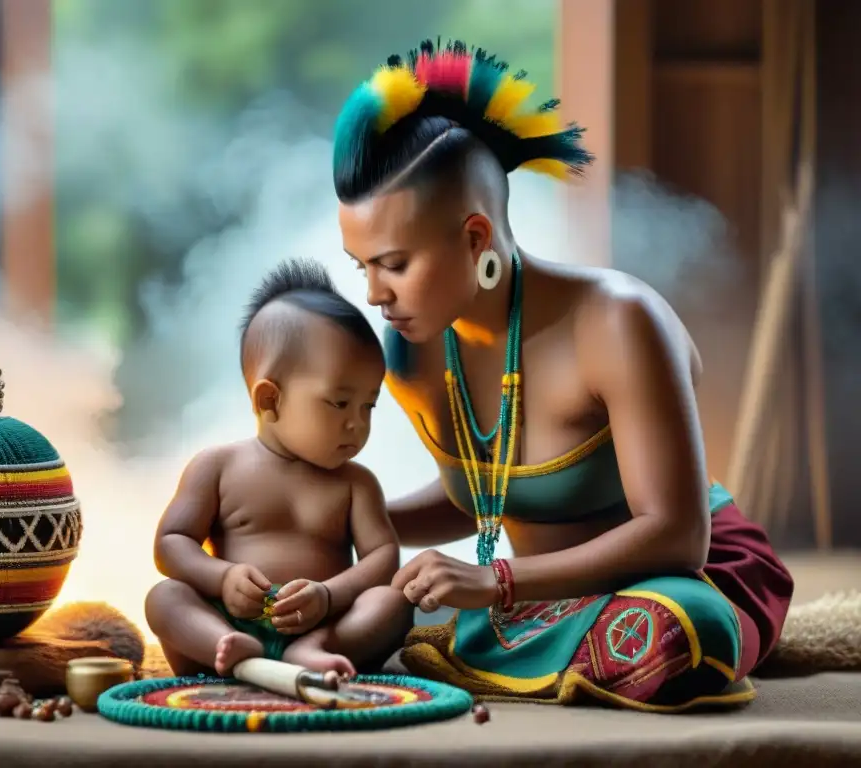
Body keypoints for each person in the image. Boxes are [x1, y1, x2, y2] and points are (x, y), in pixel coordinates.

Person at [331, 39, 795, 710]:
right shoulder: (413, 350)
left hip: (681, 577)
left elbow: (677, 533)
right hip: (535, 591)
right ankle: (525, 631)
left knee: (670, 633)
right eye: (361, 266)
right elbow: (485, 489)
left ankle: (516, 636)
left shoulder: (618, 323)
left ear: (475, 239)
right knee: (384, 605)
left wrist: (496, 583)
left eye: (394, 264)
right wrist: (350, 520)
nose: (375, 294)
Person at [145, 259, 412, 680]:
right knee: (164, 597)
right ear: (270, 400)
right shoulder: (217, 466)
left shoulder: (356, 484)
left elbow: (382, 558)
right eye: (340, 403)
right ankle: (225, 647)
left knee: (393, 604)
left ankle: (313, 650)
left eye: (368, 405)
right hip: (231, 617)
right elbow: (171, 544)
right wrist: (222, 578)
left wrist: (327, 596)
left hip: (324, 623)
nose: (357, 424)